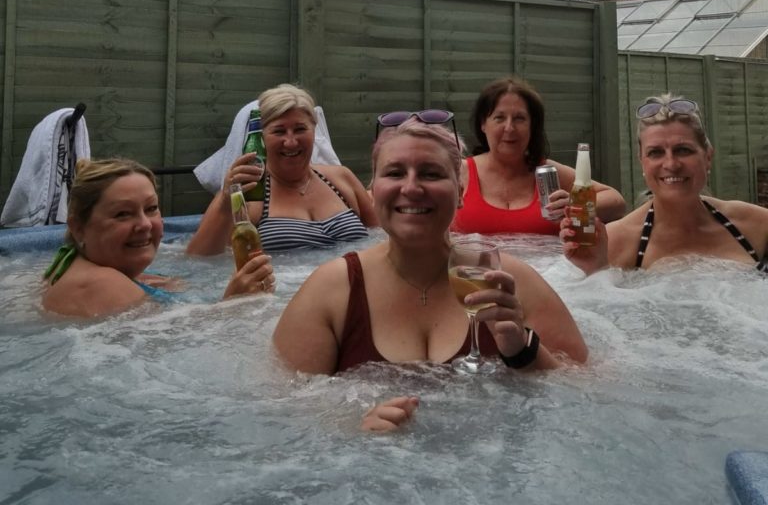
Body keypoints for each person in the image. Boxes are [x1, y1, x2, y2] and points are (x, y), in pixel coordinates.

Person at [273, 116, 588, 432]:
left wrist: (523, 349)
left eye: (431, 173)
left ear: (461, 192)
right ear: (373, 191)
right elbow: (280, 418)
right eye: (395, 173)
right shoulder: (332, 291)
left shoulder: (508, 280)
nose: (411, 187)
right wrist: (349, 427)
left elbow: (590, 397)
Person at [561, 94, 768, 274]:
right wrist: (595, 271)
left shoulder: (758, 226)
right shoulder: (614, 241)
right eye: (656, 153)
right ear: (642, 162)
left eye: (683, 150)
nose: (671, 164)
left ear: (708, 157)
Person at [41, 158, 274, 318]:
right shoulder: (100, 284)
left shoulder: (75, 264)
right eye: (123, 214)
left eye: (151, 208)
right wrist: (234, 303)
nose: (144, 224)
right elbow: (185, 343)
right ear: (79, 227)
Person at [186, 84, 376, 257]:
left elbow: (383, 237)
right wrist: (224, 202)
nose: (291, 142)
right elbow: (199, 261)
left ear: (314, 130)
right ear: (261, 136)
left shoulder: (341, 178)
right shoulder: (250, 192)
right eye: (279, 131)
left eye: (300, 129)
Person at [451, 77, 626, 236]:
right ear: (483, 124)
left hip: (547, 271)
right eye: (499, 118)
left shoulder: (548, 172)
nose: (509, 128)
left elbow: (616, 202)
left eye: (519, 118)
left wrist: (575, 206)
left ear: (532, 126)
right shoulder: (459, 172)